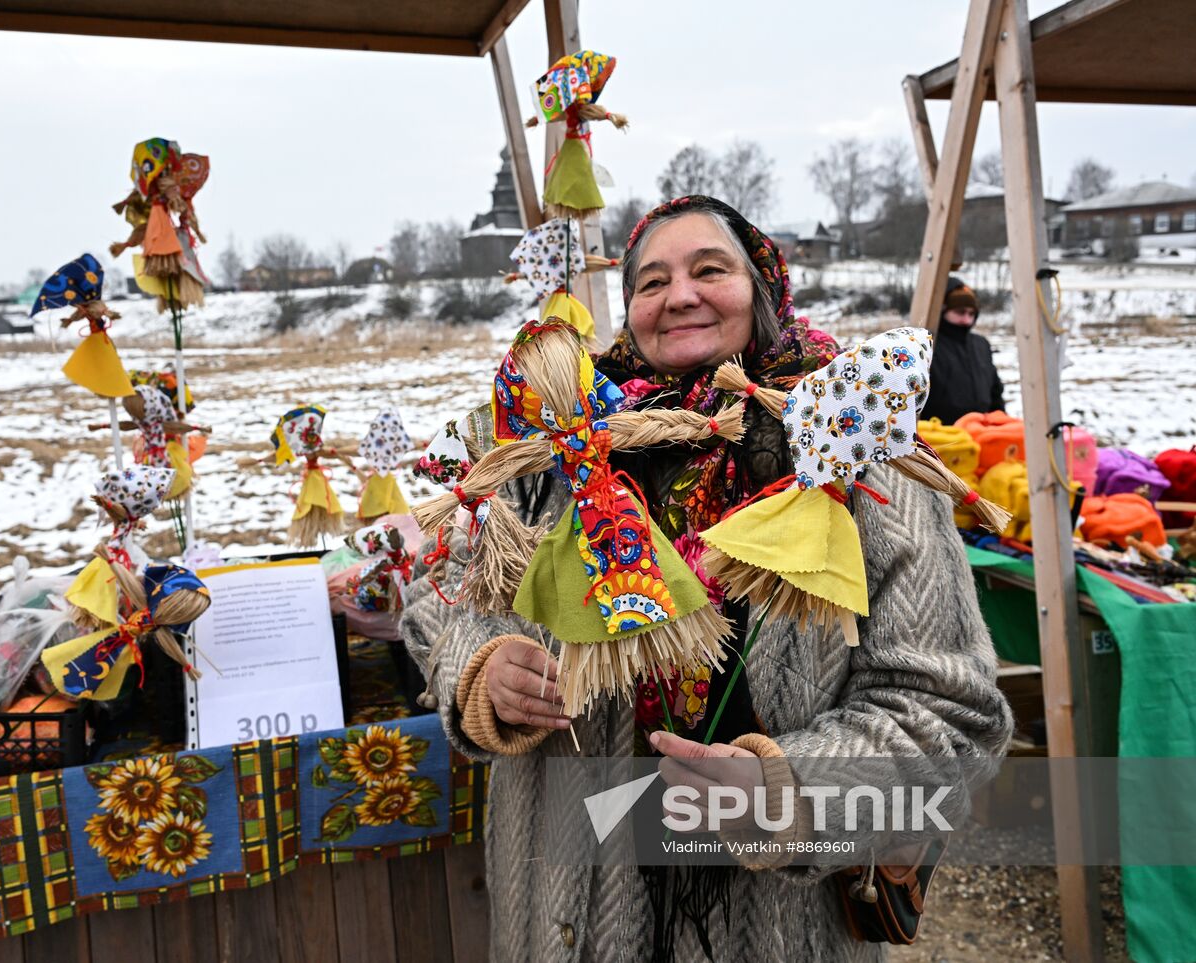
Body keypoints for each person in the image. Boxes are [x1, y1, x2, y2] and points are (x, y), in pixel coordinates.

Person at [402, 196, 1012, 961]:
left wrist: (791, 790)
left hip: (775, 928)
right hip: (562, 915)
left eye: (710, 269)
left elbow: (951, 710)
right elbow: (439, 587)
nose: (680, 295)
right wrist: (479, 670)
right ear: (630, 309)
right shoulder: (553, 438)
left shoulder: (852, 447)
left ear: (763, 288)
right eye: (652, 281)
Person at [919, 276, 1006, 424]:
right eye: (960, 312)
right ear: (943, 311)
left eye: (971, 314)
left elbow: (995, 392)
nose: (966, 320)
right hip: (939, 431)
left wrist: (1001, 421)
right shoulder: (927, 344)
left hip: (980, 429)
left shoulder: (981, 344)